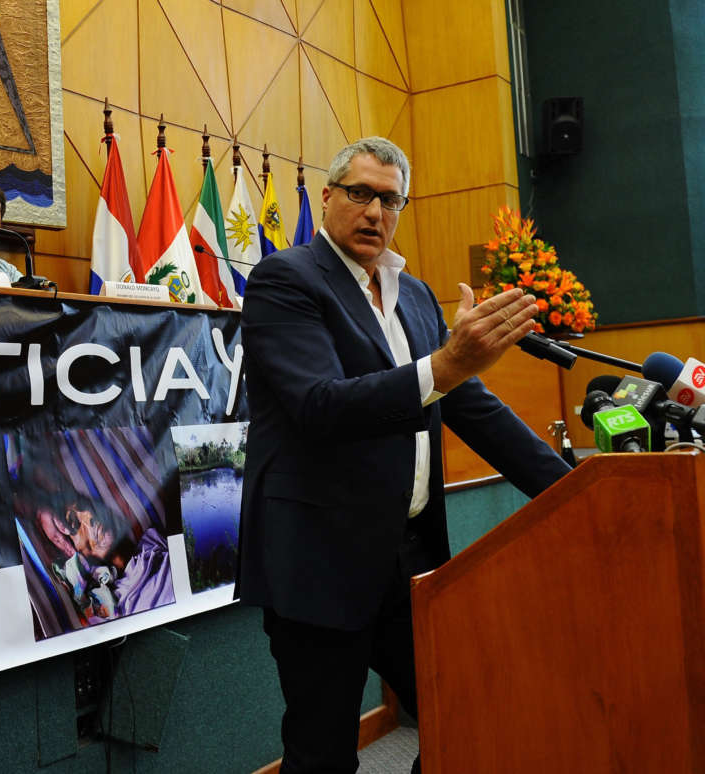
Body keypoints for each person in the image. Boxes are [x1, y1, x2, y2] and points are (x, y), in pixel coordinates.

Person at [236, 137, 571, 774]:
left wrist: (575, 490)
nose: (374, 212)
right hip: (317, 558)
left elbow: (470, 406)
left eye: (390, 200)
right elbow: (320, 405)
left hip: (412, 557)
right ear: (328, 196)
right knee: (322, 754)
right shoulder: (285, 279)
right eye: (360, 193)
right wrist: (446, 362)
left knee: (467, 713)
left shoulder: (414, 293)